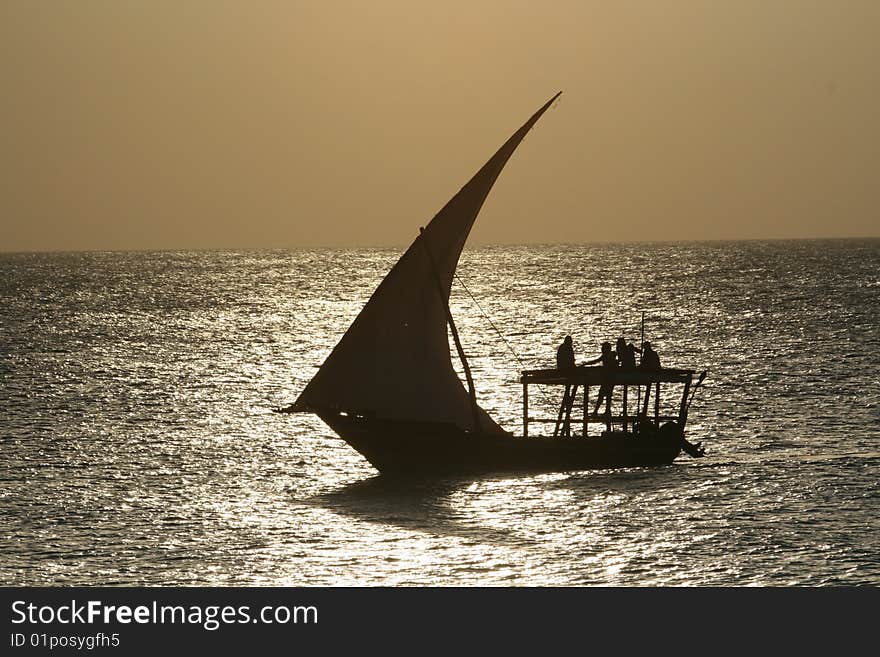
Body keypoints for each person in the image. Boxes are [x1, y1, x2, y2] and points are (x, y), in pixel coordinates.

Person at [585, 341, 616, 416]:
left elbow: (596, 361)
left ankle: (596, 411)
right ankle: (607, 411)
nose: (602, 349)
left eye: (603, 348)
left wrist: (585, 364)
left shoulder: (606, 355)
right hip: (611, 378)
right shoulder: (611, 355)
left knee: (601, 395)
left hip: (607, 379)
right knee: (608, 395)